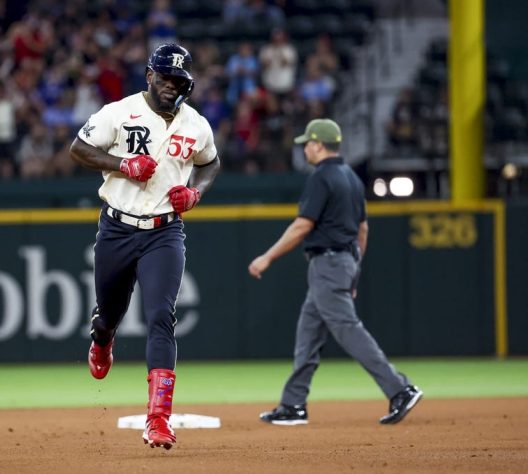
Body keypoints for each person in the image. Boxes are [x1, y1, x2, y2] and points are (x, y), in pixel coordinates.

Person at [69, 43, 220, 450]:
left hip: (164, 232)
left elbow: (210, 162)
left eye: (179, 80)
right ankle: (102, 340)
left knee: (160, 317)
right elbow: (78, 149)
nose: (171, 85)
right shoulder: (118, 112)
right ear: (150, 75)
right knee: (109, 315)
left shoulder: (196, 124)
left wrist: (196, 192)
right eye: (165, 77)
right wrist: (122, 164)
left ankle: (158, 419)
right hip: (117, 228)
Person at [248, 118, 422, 426]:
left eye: (307, 144)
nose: (305, 150)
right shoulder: (351, 178)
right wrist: (354, 270)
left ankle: (400, 388)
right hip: (340, 264)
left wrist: (267, 257)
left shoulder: (322, 177)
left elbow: (303, 225)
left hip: (328, 264)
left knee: (349, 330)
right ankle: (293, 405)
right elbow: (363, 229)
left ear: (317, 144)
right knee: (308, 334)